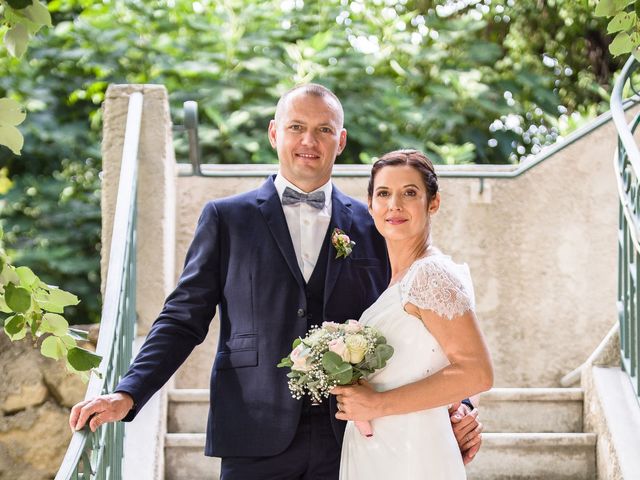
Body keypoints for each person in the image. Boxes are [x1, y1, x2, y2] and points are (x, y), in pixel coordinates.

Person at [69, 84, 483, 479]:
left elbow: (421, 320)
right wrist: (128, 392)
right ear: (274, 133)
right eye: (296, 127)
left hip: (354, 432)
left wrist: (457, 406)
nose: (310, 140)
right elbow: (182, 318)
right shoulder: (227, 219)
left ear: (340, 141)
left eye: (324, 130)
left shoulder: (374, 223)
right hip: (252, 430)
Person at [332, 149, 493, 479]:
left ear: (433, 203)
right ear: (371, 205)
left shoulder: (430, 275)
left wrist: (376, 404)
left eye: (410, 193)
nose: (394, 205)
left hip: (410, 452)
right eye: (384, 193)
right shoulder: (399, 280)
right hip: (384, 449)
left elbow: (477, 372)